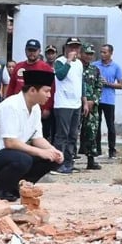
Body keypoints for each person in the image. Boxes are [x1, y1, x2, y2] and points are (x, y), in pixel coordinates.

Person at [0, 68, 63, 201]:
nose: (49, 95)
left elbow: (37, 137)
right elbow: (10, 142)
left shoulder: (36, 108)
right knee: (24, 160)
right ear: (32, 90)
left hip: (11, 152)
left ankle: (18, 186)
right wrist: (40, 152)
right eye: (46, 91)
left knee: (52, 158)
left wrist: (53, 151)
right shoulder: (11, 106)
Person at [52, 37, 84, 174]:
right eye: (71, 47)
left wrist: (84, 99)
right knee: (62, 135)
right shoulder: (59, 62)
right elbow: (60, 76)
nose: (74, 50)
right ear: (65, 48)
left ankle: (69, 163)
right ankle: (57, 163)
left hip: (76, 104)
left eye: (76, 47)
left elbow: (81, 82)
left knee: (73, 135)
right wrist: (69, 61)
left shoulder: (80, 64)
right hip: (63, 103)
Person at [93, 43, 122, 159]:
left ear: (111, 53)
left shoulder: (116, 67)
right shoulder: (95, 65)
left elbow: (121, 85)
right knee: (96, 125)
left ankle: (112, 150)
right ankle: (97, 150)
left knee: (110, 125)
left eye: (105, 52)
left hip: (109, 100)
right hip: (97, 99)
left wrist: (108, 84)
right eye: (101, 52)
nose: (102, 54)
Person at [79, 44, 103, 170]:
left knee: (91, 132)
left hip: (92, 106)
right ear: (81, 54)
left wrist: (93, 100)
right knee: (74, 132)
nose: (89, 56)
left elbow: (99, 86)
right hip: (77, 105)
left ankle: (91, 159)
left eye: (91, 54)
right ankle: (69, 159)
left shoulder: (95, 70)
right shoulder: (76, 67)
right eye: (87, 53)